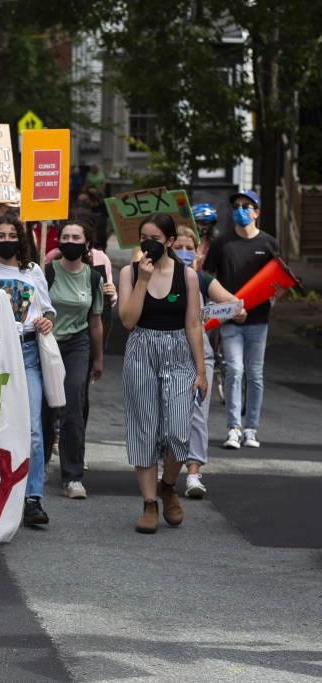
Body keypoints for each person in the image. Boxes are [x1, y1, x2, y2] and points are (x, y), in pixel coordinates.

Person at [118, 213, 208, 534]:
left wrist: (201, 370)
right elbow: (128, 320)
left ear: (169, 242)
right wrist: (143, 280)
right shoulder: (130, 272)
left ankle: (168, 484)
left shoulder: (189, 277)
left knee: (179, 430)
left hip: (179, 352)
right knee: (144, 427)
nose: (148, 243)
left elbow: (194, 324)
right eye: (143, 237)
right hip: (142, 349)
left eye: (155, 238)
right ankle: (149, 503)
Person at [0, 213, 55, 526]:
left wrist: (46, 320)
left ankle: (33, 496)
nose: (5, 241)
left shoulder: (33, 271)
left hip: (28, 352)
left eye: (10, 235)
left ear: (20, 239)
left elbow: (47, 309)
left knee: (32, 429)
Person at [173, 226, 245, 498]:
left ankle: (193, 474)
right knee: (164, 412)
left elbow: (232, 302)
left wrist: (238, 310)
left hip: (199, 355)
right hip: (165, 353)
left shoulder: (203, 280)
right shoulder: (157, 278)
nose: (185, 252)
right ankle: (161, 469)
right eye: (179, 247)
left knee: (197, 414)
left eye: (190, 248)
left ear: (198, 251)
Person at [203, 190, 278, 450]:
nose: (241, 210)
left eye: (247, 206)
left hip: (259, 319)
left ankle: (251, 428)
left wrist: (276, 293)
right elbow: (208, 276)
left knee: (255, 374)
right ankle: (234, 427)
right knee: (234, 370)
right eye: (236, 206)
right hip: (230, 319)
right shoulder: (222, 243)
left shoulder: (269, 243)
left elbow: (279, 279)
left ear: (257, 212)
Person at [40, 214, 104, 501]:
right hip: (46, 343)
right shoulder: (46, 272)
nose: (70, 242)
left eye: (76, 238)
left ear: (87, 243)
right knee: (43, 408)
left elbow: (95, 322)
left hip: (78, 347)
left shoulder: (93, 278)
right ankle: (38, 466)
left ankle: (73, 476)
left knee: (72, 405)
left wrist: (98, 358)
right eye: (65, 237)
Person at [191, 203, 218, 268]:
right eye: (199, 222)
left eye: (207, 223)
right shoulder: (183, 243)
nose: (204, 226)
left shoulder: (215, 246)